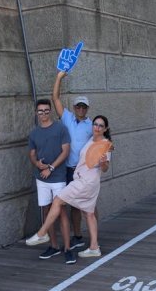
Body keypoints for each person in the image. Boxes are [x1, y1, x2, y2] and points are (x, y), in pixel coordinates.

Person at [26, 115, 113, 258]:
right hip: (87, 182)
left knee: (58, 200)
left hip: (85, 182)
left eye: (100, 126)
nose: (97, 127)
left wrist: (103, 163)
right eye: (95, 124)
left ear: (106, 129)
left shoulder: (105, 145)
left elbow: (105, 168)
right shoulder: (92, 139)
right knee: (89, 214)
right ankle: (94, 247)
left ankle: (42, 233)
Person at [26, 99, 74, 263]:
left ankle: (67, 249)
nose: (44, 113)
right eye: (41, 111)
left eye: (46, 110)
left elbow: (65, 151)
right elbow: (32, 154)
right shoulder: (34, 133)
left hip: (58, 177)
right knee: (47, 212)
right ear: (36, 113)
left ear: (50, 111)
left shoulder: (61, 128)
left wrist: (51, 168)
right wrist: (36, 163)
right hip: (42, 179)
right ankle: (54, 246)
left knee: (61, 212)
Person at [53, 71, 93, 249]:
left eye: (84, 107)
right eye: (78, 107)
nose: (81, 110)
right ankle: (77, 236)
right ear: (74, 107)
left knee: (89, 206)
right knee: (74, 205)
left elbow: (102, 143)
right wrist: (59, 78)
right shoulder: (67, 118)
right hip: (70, 169)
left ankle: (94, 239)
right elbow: (55, 98)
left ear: (87, 109)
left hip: (85, 171)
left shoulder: (92, 125)